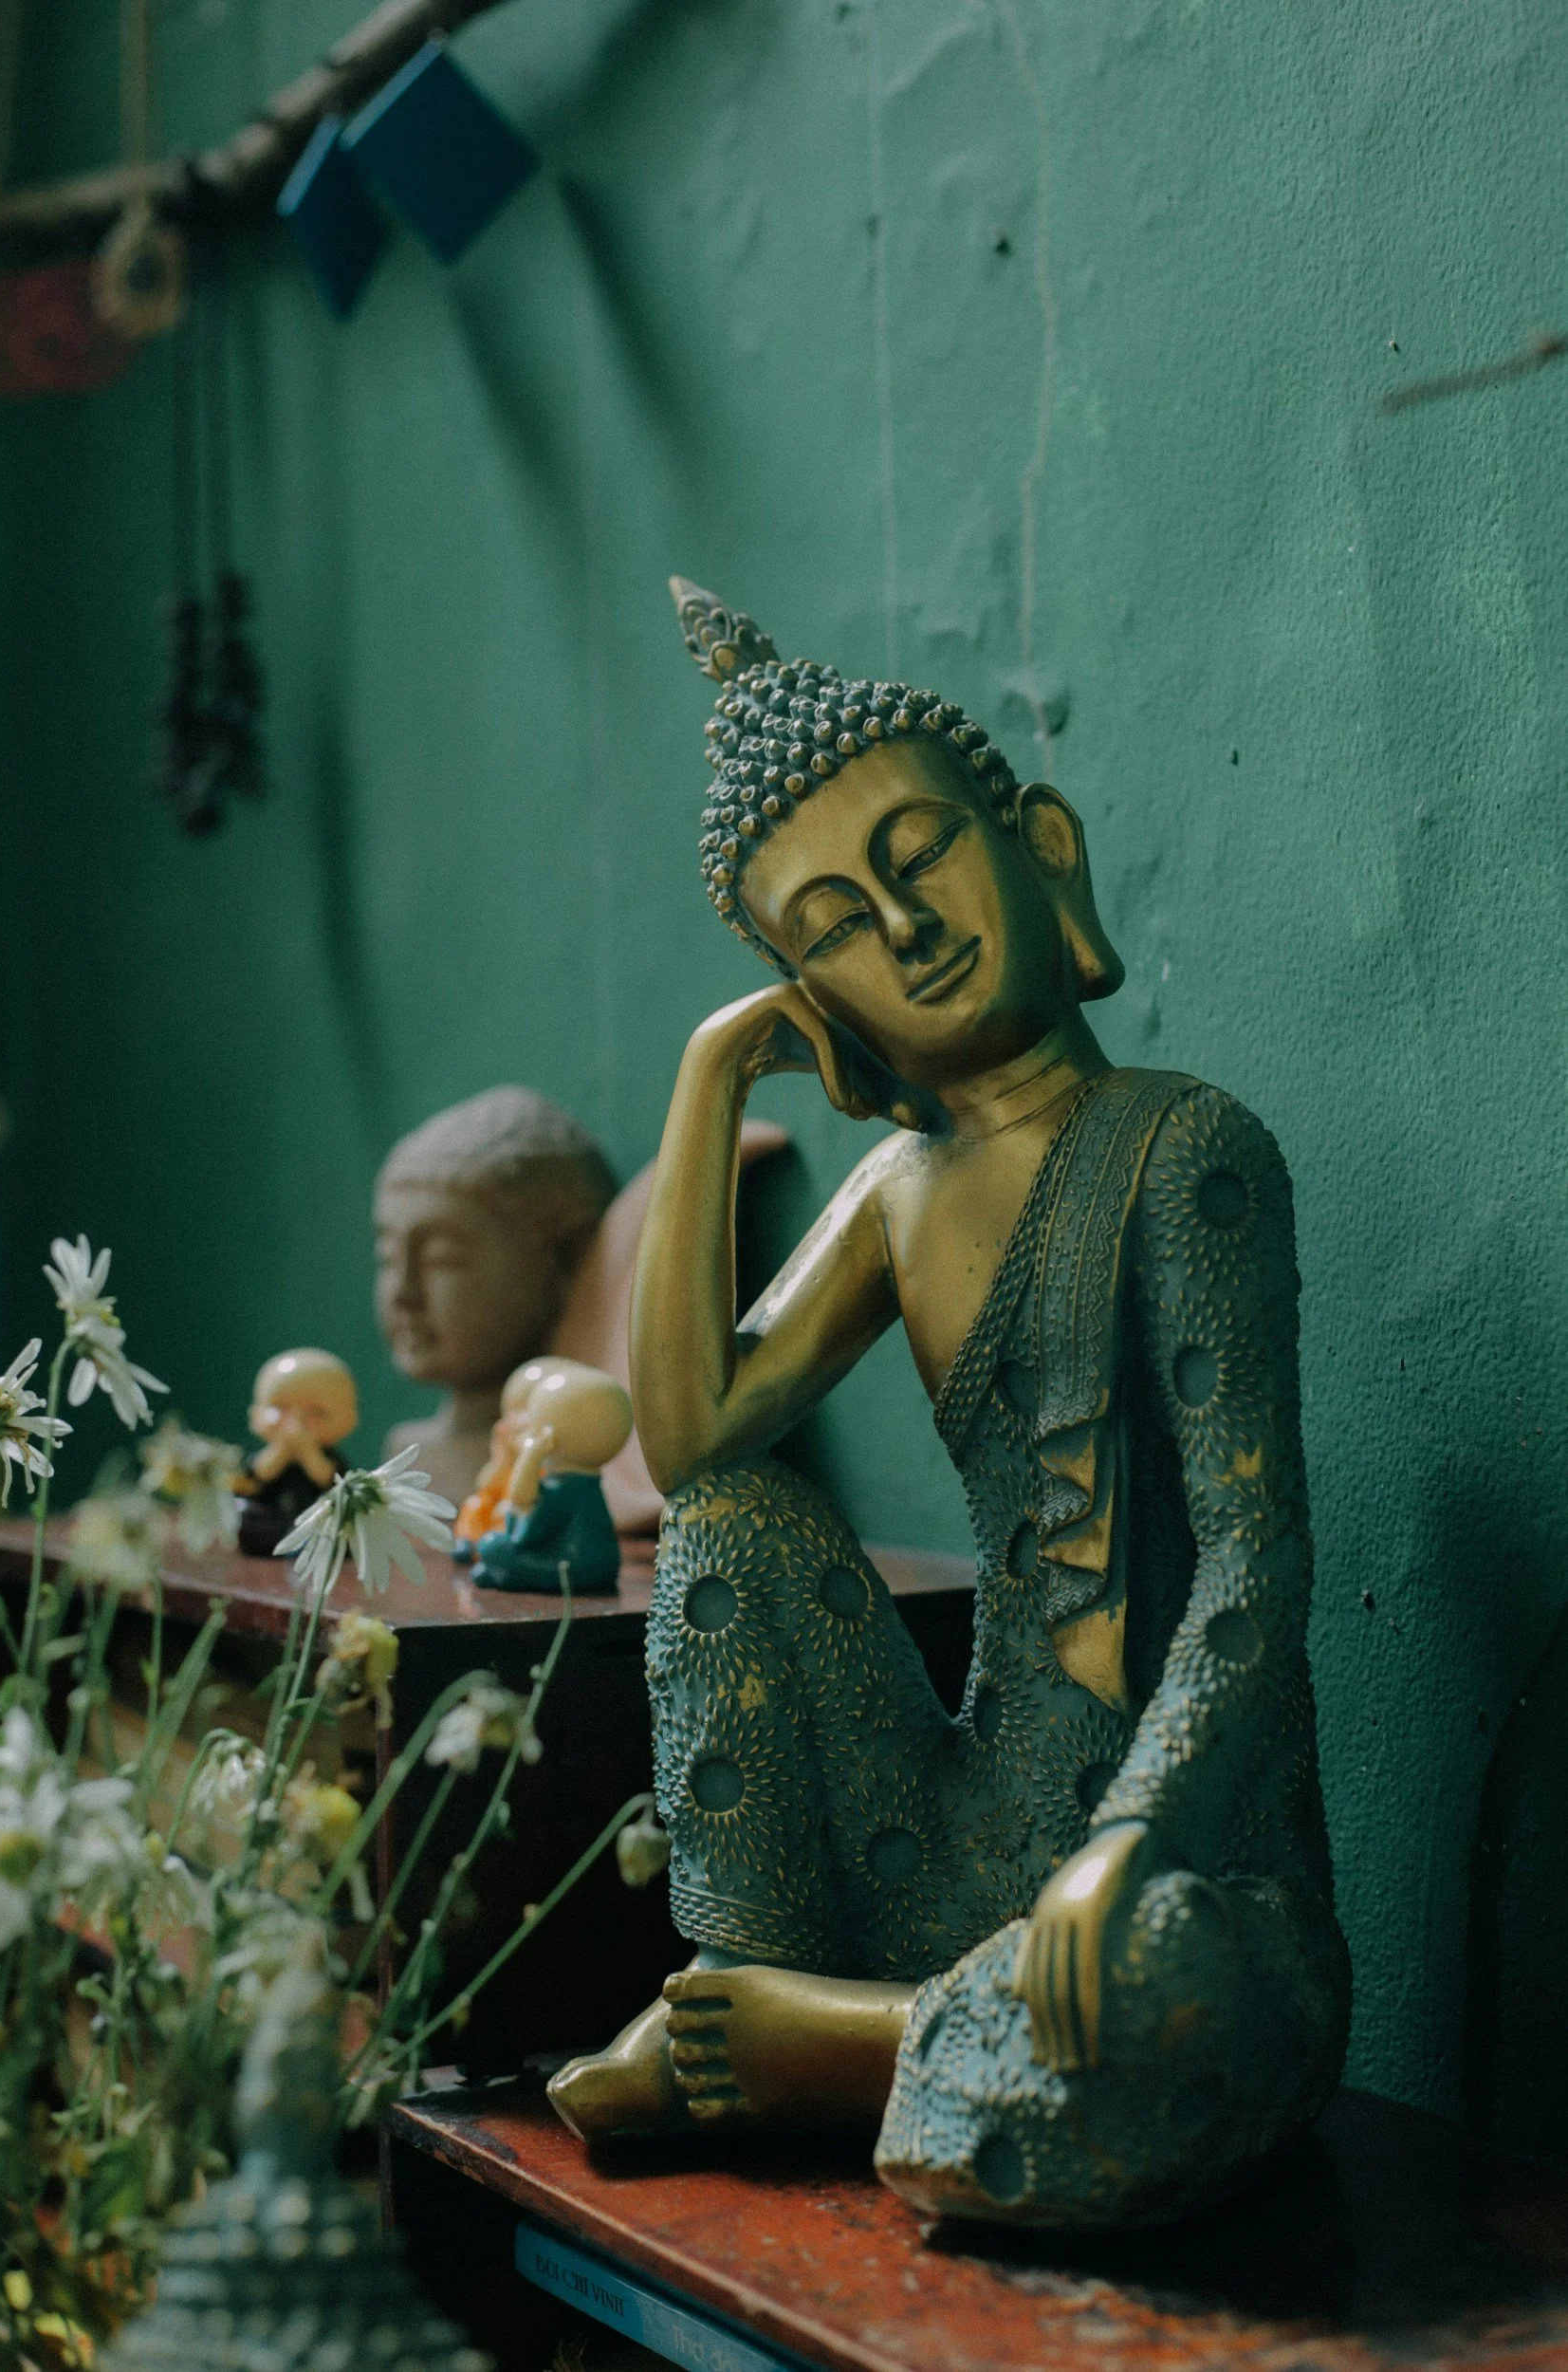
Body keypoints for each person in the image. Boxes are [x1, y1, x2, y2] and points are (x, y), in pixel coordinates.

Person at [547, 582, 1351, 2230]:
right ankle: (752, 1983)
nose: (906, 929)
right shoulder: (897, 1192)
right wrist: (711, 1075)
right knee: (730, 1522)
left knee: (1183, 1998)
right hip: (959, 1836)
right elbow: (688, 1444)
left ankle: (810, 2048)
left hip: (1164, 1870)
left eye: (918, 856)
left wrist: (1130, 1837)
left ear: (1038, 848)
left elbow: (1250, 1566)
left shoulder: (1184, 1148)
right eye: (836, 927)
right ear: (816, 1000)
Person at [374, 1087, 615, 1507]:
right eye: (388, 1258)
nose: (403, 1293)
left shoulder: (593, 1468)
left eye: (441, 1259)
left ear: (566, 1261)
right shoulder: (408, 1450)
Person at [471, 1361, 632, 1595]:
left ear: (549, 1437)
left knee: (491, 1545)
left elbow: (522, 1519)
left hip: (573, 1569)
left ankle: (505, 1572)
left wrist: (530, 1455)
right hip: (602, 1565)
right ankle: (502, 1571)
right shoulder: (586, 1487)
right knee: (494, 1549)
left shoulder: (563, 1490)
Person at [234, 1348, 357, 1558]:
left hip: (317, 1521)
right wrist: (282, 1451)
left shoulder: (328, 1458)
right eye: (279, 1408)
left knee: (341, 1520)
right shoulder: (269, 1455)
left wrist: (308, 1452)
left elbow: (330, 1480)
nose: (296, 1421)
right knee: (244, 1513)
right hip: (271, 1522)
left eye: (317, 1412)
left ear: (348, 1420)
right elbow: (257, 1478)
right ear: (255, 1414)